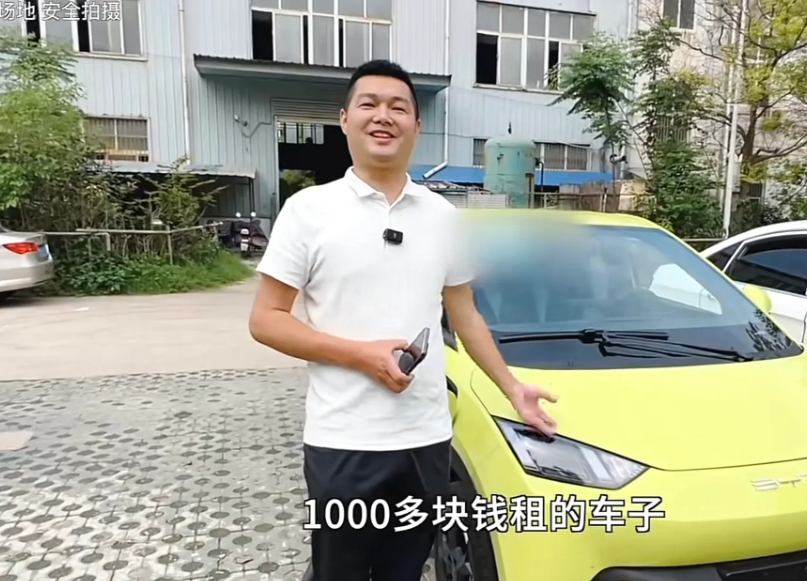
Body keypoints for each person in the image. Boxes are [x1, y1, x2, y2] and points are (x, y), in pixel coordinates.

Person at [248, 59, 557, 581]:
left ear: (416, 125)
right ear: (345, 120)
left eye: (398, 107)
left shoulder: (442, 217)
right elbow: (266, 319)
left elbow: (465, 314)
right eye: (368, 104)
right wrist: (360, 355)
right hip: (343, 441)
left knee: (406, 571)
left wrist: (512, 388)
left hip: (425, 439)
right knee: (338, 573)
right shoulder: (308, 210)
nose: (382, 116)